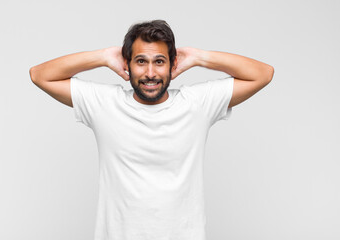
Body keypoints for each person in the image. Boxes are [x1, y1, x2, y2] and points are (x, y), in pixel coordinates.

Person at [30, 20, 274, 240]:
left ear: (172, 64)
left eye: (159, 62)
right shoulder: (105, 104)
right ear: (128, 64)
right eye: (141, 61)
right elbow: (40, 75)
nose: (150, 73)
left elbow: (263, 74)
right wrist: (103, 56)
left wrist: (199, 57)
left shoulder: (196, 104)